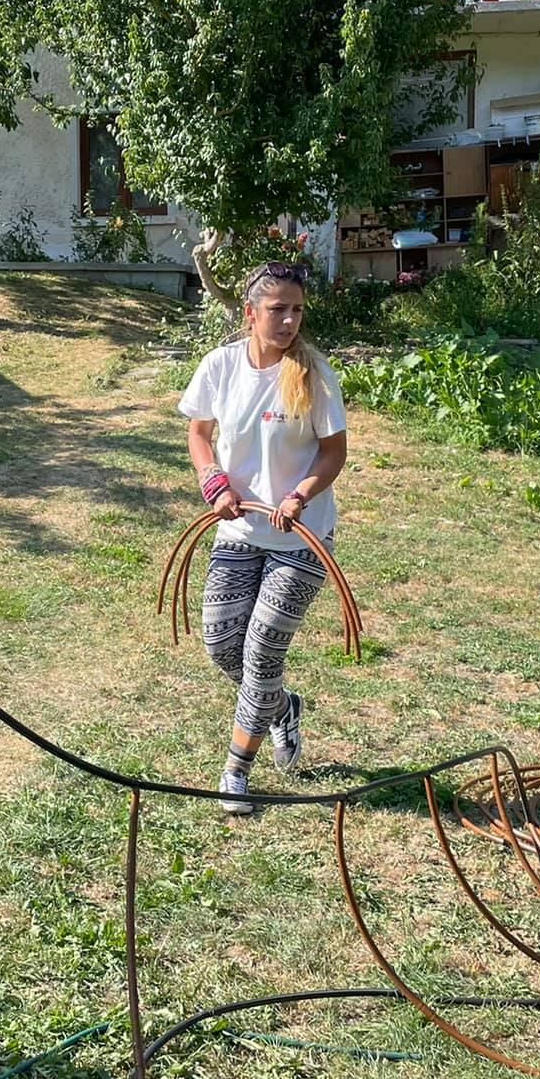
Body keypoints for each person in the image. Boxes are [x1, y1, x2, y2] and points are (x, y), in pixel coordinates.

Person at [176, 261, 349, 815]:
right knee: (222, 644)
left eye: (297, 309)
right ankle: (282, 708)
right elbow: (200, 434)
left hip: (300, 538)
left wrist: (299, 495)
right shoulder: (220, 366)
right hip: (239, 528)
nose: (290, 319)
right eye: (278, 309)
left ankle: (236, 770)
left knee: (261, 651)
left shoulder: (314, 373)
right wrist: (213, 480)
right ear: (251, 313)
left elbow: (333, 451)